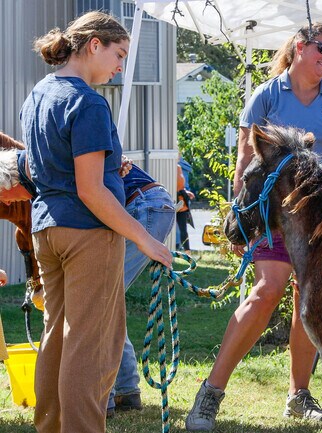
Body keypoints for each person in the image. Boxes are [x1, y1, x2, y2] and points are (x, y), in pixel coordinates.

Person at [185, 22, 322, 431]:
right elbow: (245, 164)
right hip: (274, 217)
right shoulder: (266, 95)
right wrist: (241, 220)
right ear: (299, 47)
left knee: (310, 302)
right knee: (267, 292)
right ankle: (209, 395)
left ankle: (298, 396)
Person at [21, 11, 172, 432]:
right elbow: (89, 191)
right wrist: (145, 239)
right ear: (94, 45)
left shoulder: (38, 94)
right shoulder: (88, 101)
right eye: (119, 54)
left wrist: (109, 173)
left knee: (57, 339)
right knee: (92, 348)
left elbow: (43, 169)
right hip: (87, 233)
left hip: (46, 230)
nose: (120, 66)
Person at [0, 144, 176, 417]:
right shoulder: (41, 171)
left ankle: (99, 401)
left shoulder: (46, 170)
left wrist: (114, 162)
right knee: (104, 305)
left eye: (4, 196)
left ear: (10, 180)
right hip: (145, 205)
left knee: (94, 307)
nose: (7, 202)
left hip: (142, 205)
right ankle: (126, 390)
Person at [176, 163, 195, 254]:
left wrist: (186, 192)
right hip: (171, 204)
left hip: (182, 205)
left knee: (183, 229)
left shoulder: (178, 167)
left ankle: (188, 253)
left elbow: (180, 186)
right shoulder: (168, 167)